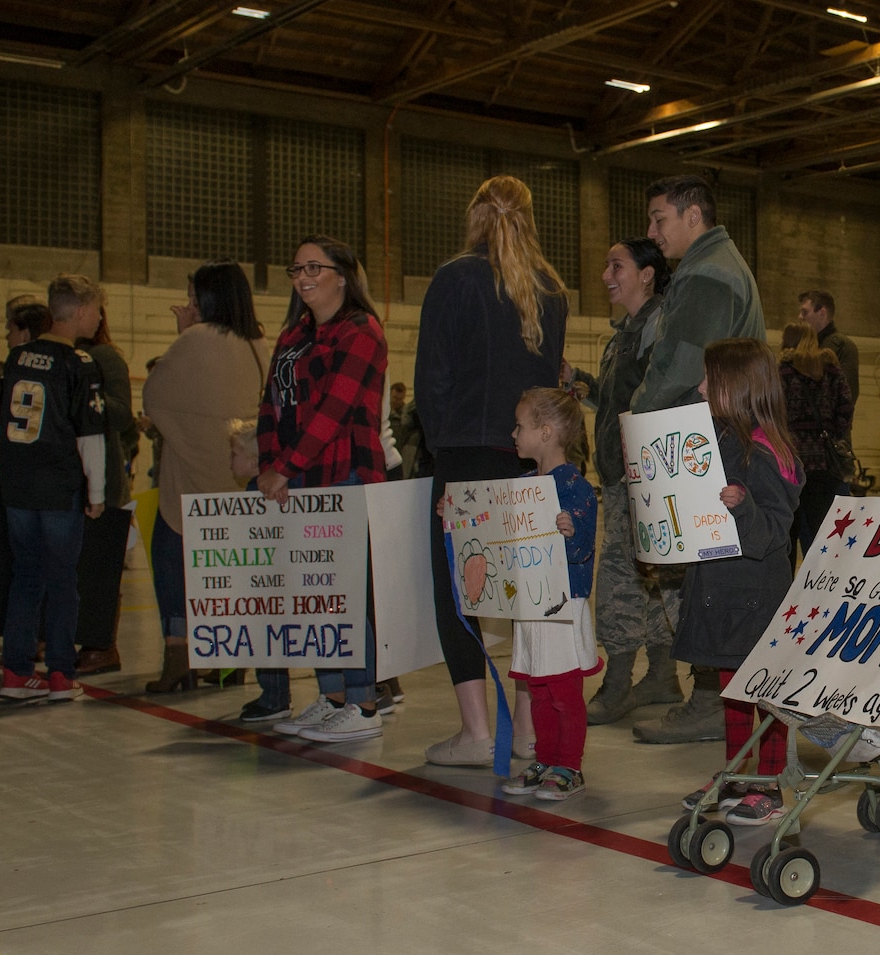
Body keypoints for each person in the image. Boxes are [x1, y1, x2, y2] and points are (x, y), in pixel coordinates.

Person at [416, 175, 569, 766]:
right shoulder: (551, 290)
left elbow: (433, 379)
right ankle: (527, 732)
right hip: (530, 460)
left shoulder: (454, 278)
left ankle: (478, 732)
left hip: (466, 455)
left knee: (459, 594)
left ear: (475, 214)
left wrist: (440, 455)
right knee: (529, 593)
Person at [630, 175, 766, 745]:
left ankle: (714, 700)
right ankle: (716, 697)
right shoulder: (713, 265)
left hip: (706, 442)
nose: (652, 232)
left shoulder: (708, 274)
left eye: (660, 219)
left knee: (705, 579)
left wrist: (633, 419)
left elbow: (682, 366)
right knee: (707, 576)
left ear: (693, 215)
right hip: (719, 438)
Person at [252, 241, 390, 739]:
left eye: (315, 267)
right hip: (299, 480)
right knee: (315, 595)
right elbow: (270, 406)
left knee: (349, 595)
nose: (303, 276)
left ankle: (364, 704)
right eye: (297, 268)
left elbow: (334, 410)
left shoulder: (362, 331)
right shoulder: (294, 334)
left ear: (343, 276)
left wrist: (283, 468)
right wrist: (271, 466)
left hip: (346, 475)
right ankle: (332, 695)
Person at [671, 339, 804, 827]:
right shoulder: (718, 438)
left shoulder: (769, 451)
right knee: (732, 687)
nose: (700, 387)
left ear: (738, 387)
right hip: (722, 591)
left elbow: (773, 530)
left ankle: (769, 784)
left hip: (756, 598)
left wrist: (742, 506)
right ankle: (736, 771)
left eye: (710, 380)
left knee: (764, 692)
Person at [139, 262, 269, 693]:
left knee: (171, 556)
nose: (190, 305)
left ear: (208, 301)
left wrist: (183, 333)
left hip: (190, 480)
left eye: (195, 298)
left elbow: (156, 395)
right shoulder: (257, 344)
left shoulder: (194, 339)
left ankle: (179, 657)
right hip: (238, 479)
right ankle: (231, 658)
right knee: (230, 573)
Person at [0, 276, 108, 705]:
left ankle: (16, 671)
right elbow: (90, 437)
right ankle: (61, 672)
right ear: (80, 311)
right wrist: (96, 493)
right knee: (63, 580)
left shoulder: (17, 357)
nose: (99, 317)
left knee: (25, 577)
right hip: (59, 487)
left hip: (17, 486)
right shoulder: (78, 363)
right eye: (97, 309)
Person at [586, 236, 681, 724]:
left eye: (616, 265)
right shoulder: (626, 333)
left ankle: (619, 682)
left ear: (646, 274)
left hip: (644, 472)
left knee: (624, 577)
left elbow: (658, 396)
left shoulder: (659, 326)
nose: (607, 275)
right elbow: (621, 397)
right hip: (623, 473)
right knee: (649, 578)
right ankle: (662, 677)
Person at [497, 388, 599, 802]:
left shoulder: (575, 486)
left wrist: (571, 532)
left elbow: (583, 547)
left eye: (520, 425)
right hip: (530, 604)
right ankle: (546, 757)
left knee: (563, 691)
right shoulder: (523, 485)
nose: (514, 433)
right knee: (537, 688)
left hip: (561, 604)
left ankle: (569, 766)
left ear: (545, 431)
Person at [72, 305, 140, 677]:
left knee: (101, 565)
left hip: (106, 475)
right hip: (77, 474)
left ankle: (103, 646)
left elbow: (122, 414)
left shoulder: (105, 357)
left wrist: (85, 399)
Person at [0, 299, 54, 640]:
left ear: (25, 332)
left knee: (29, 571)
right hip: (35, 485)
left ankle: (29, 643)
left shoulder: (15, 376)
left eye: (10, 328)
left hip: (23, 487)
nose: (5, 335)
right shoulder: (59, 369)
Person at [778, 322, 854, 555]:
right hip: (824, 462)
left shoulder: (783, 371)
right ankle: (822, 583)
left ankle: (788, 588)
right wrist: (833, 434)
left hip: (790, 461)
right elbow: (846, 405)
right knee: (824, 531)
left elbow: (775, 410)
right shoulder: (831, 369)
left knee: (788, 530)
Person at [795, 291, 859, 399]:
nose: (800, 317)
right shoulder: (801, 345)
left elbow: (847, 396)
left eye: (805, 312)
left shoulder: (844, 347)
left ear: (822, 314)